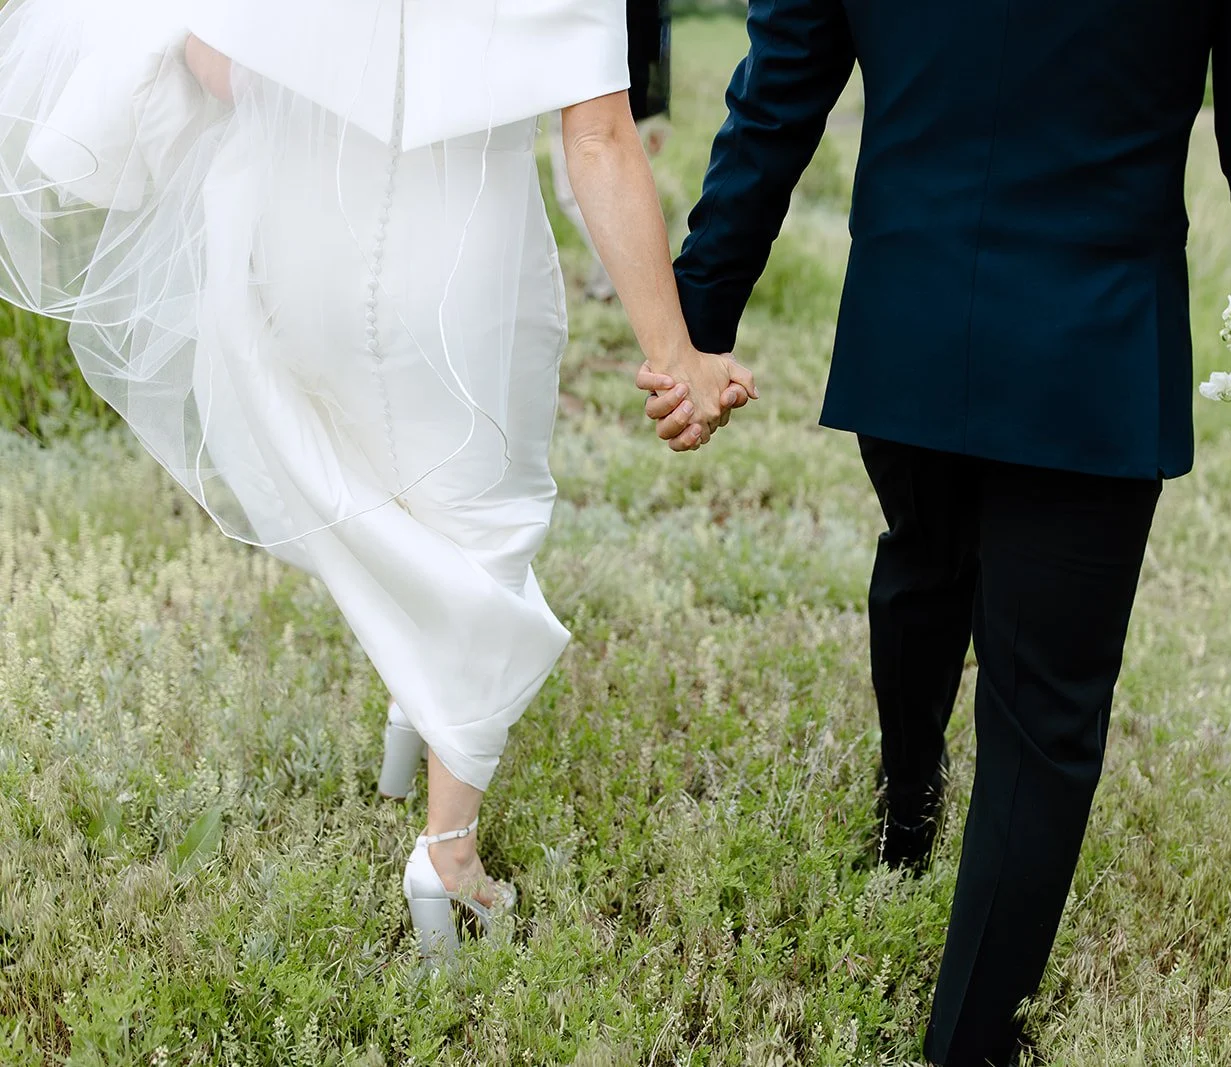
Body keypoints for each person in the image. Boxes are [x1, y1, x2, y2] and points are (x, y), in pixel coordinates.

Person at [641, 0, 1231, 1062]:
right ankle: (967, 1042)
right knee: (1043, 717)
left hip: (908, 320)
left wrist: (699, 320)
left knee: (924, 556)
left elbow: (776, 97)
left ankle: (906, 822)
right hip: (1092, 350)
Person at [0, 0, 752, 957]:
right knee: (484, 517)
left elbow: (214, 57)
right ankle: (448, 857)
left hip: (302, 234)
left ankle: (413, 703)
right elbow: (598, 135)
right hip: (460, 249)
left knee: (368, 461)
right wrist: (672, 354)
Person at [549, 0, 673, 302]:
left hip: (586, 91)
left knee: (577, 195)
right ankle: (610, 282)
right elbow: (660, 35)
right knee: (620, 192)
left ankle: (621, 276)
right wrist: (659, 107)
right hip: (632, 91)